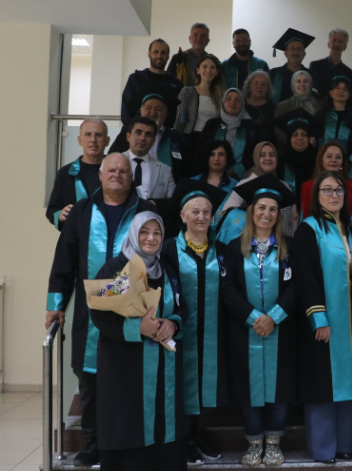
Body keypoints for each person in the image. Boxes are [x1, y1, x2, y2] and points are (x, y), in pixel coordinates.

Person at [46, 153, 156, 467]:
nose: (117, 174)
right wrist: (55, 306)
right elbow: (65, 261)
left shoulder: (145, 212)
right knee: (90, 381)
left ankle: (131, 443)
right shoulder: (82, 211)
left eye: (123, 170)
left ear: (131, 177)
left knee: (130, 379)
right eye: (111, 170)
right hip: (89, 313)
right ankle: (94, 442)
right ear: (101, 175)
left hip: (134, 312)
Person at [89, 213, 186, 471]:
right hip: (125, 369)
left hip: (163, 369)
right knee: (129, 428)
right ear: (133, 234)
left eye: (157, 233)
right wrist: (137, 328)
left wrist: (173, 324)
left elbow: (181, 307)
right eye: (144, 232)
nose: (150, 238)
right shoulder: (116, 270)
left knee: (163, 429)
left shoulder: (167, 271)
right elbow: (99, 313)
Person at [220, 177, 298, 467]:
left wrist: (274, 317)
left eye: (273, 209)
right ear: (251, 211)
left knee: (279, 386)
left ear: (279, 215)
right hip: (246, 330)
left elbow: (296, 287)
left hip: (281, 329)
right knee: (248, 386)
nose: (267, 213)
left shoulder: (289, 247)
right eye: (261, 208)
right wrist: (255, 318)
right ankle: (254, 441)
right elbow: (227, 290)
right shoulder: (233, 247)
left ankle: (274, 441)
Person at [291, 170, 352, 464]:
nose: (334, 195)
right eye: (327, 190)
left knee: (347, 382)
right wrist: (318, 318)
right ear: (316, 195)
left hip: (351, 323)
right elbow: (305, 276)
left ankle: (344, 444)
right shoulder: (309, 229)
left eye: (339, 190)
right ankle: (323, 449)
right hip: (324, 322)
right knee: (323, 383)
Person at [160, 189, 231, 464]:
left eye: (206, 212)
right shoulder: (168, 249)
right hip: (180, 332)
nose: (201, 216)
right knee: (184, 385)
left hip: (215, 332)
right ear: (183, 216)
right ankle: (185, 437)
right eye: (195, 211)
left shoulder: (222, 251)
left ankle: (198, 433)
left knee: (213, 385)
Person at [218, 143, 299, 242]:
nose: (268, 158)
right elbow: (227, 212)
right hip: (251, 244)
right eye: (262, 155)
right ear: (256, 158)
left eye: (271, 155)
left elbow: (293, 219)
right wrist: (254, 220)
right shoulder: (245, 184)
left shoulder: (285, 187)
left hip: (281, 244)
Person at [46, 118, 109, 230]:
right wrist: (60, 215)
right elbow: (52, 211)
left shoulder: (118, 171)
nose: (93, 140)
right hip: (75, 238)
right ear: (80, 140)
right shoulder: (65, 173)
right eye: (88, 135)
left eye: (98, 135)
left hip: (111, 236)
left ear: (107, 141)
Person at [110, 94, 185, 181]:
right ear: (141, 111)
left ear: (165, 113)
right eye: (148, 108)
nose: (153, 112)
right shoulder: (125, 137)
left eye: (158, 109)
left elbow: (188, 169)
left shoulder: (177, 138)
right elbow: (110, 162)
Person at [174, 54, 225, 169]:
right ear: (198, 70)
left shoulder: (222, 96)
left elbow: (223, 123)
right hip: (190, 141)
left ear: (217, 72)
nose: (208, 70)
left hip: (212, 142)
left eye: (212, 67)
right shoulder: (187, 92)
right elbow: (179, 122)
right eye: (204, 66)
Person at [122, 39, 183, 129]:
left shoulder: (176, 84)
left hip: (166, 135)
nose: (159, 56)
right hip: (138, 133)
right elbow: (126, 111)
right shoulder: (136, 79)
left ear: (168, 56)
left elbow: (178, 114)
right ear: (149, 54)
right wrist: (134, 132)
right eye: (156, 52)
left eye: (163, 52)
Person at [197, 88, 255, 179]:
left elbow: (255, 154)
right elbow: (201, 149)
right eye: (229, 99)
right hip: (211, 175)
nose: (233, 102)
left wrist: (238, 170)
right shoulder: (212, 125)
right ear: (223, 102)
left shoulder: (251, 127)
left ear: (243, 104)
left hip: (242, 177)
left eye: (237, 99)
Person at [300, 142, 352, 218]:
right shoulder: (308, 186)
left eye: (338, 157)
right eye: (329, 156)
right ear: (321, 160)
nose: (334, 160)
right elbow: (305, 216)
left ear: (342, 162)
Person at [124, 117, 175, 201]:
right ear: (128, 136)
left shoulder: (165, 170)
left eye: (148, 134)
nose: (142, 138)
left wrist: (156, 204)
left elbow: (172, 202)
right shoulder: (111, 163)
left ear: (153, 141)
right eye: (138, 133)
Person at [274, 70, 322, 151]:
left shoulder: (321, 105)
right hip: (290, 150)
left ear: (310, 83)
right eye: (298, 81)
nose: (302, 84)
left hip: (316, 150)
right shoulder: (282, 106)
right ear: (293, 83)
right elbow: (278, 130)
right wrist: (294, 143)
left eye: (305, 81)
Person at [269, 28, 315, 103]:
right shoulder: (273, 74)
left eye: (299, 49)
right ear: (285, 53)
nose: (295, 52)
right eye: (292, 48)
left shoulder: (312, 76)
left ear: (304, 54)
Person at [308, 28, 352, 96]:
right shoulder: (315, 66)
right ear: (328, 44)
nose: (336, 44)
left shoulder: (347, 72)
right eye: (334, 40)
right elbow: (313, 89)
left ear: (345, 47)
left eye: (340, 41)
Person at [316, 75, 352, 151]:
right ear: (331, 93)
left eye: (345, 89)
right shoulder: (320, 117)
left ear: (349, 94)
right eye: (337, 88)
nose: (341, 91)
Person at [242, 71, 276, 143]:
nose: (259, 87)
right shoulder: (240, 106)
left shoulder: (275, 108)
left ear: (268, 89)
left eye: (263, 84)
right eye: (256, 83)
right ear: (249, 86)